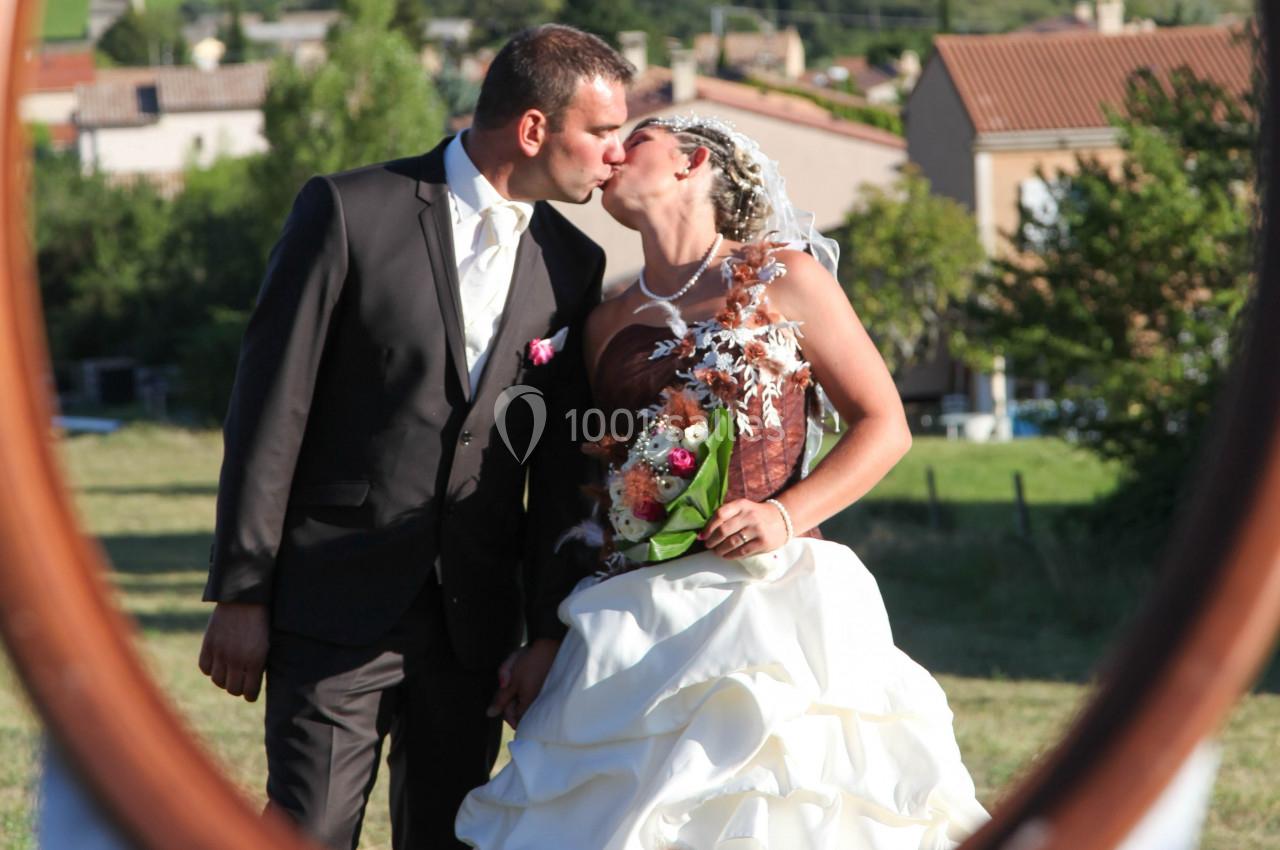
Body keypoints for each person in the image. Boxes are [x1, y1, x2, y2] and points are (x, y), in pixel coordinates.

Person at [455, 116, 990, 848]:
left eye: (634, 142)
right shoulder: (604, 321)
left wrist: (786, 516)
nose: (612, 154)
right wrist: (546, 634)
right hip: (635, 621)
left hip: (768, 601)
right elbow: (575, 488)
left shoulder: (787, 277)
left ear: (692, 161)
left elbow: (884, 425)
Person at [197, 25, 633, 850]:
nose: (617, 153)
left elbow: (555, 473)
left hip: (473, 627)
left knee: (448, 836)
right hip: (333, 604)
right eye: (603, 132)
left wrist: (544, 631)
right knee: (308, 828)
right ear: (535, 128)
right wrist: (243, 590)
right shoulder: (347, 210)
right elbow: (267, 410)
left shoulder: (572, 263)